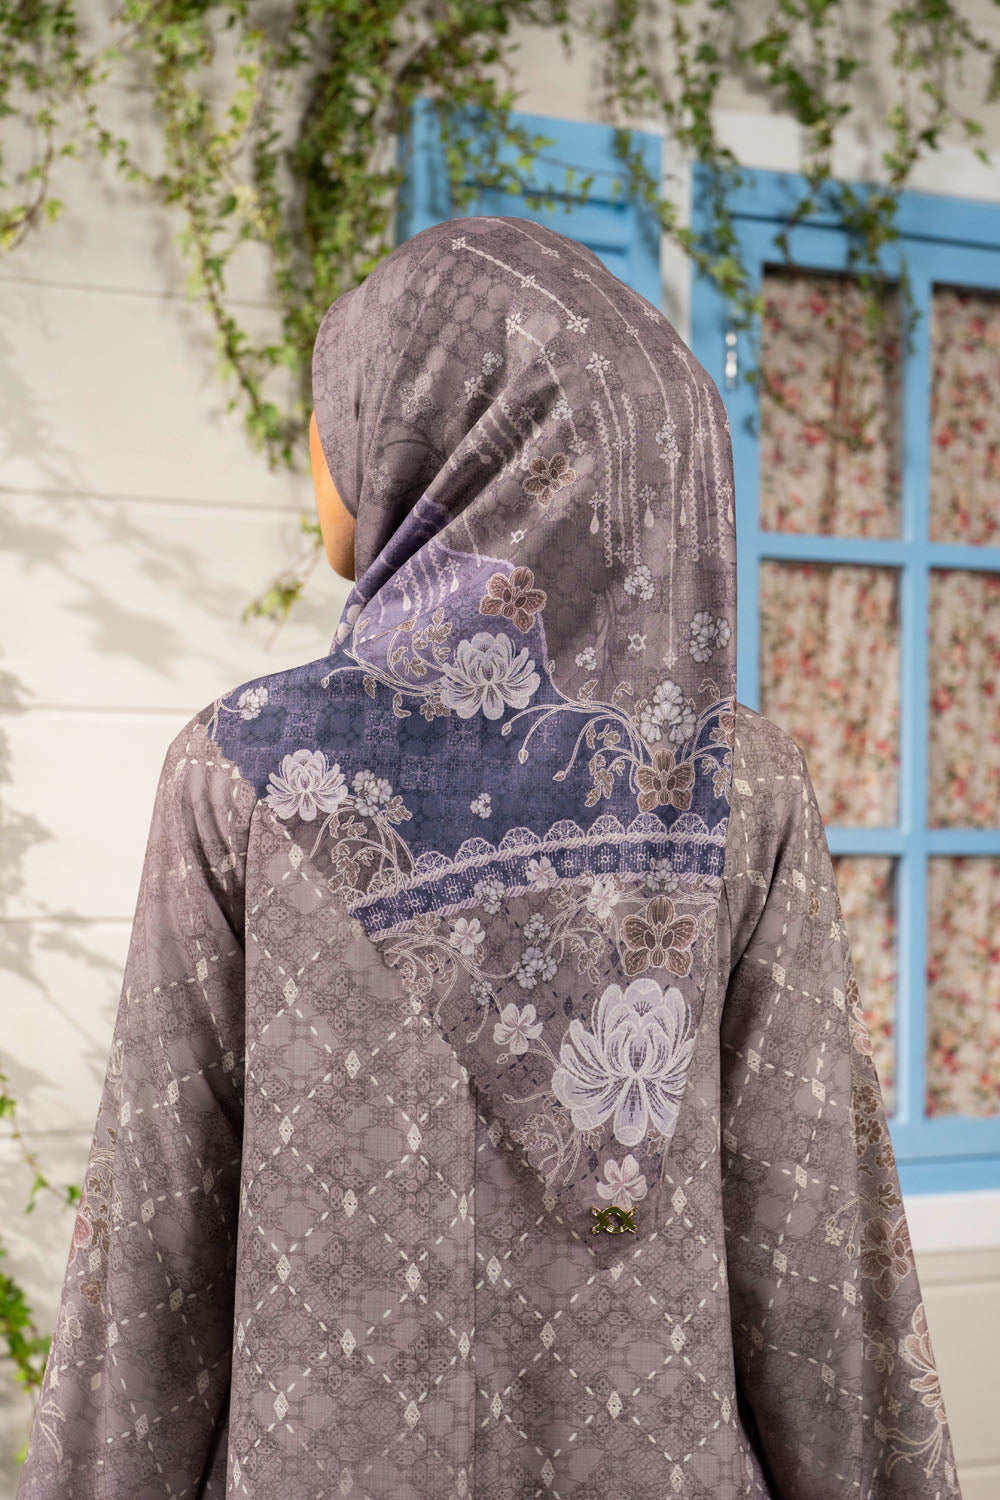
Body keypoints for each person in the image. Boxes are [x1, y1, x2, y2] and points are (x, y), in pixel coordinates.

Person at [15, 214, 962, 1500]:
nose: (321, 446)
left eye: (339, 407)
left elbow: (151, 1254)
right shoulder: (733, 786)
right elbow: (812, 1246)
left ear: (450, 435)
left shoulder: (241, 773)